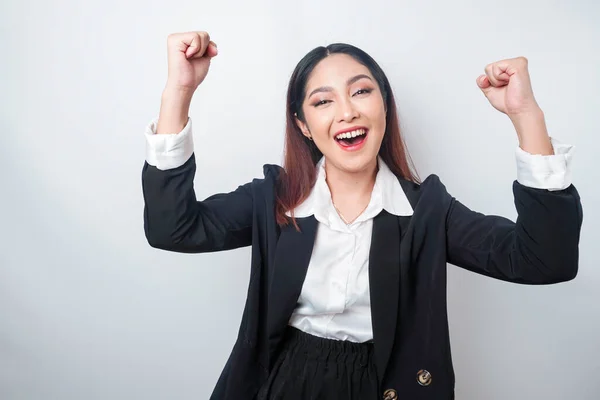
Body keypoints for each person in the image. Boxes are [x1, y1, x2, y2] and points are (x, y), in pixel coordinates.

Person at [141, 31, 582, 400]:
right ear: (302, 124)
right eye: (323, 101)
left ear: (384, 104)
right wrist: (179, 92)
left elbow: (544, 261)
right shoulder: (273, 199)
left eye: (361, 91)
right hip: (284, 382)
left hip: (385, 385)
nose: (347, 111)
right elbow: (173, 229)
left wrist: (526, 115)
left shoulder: (427, 211)